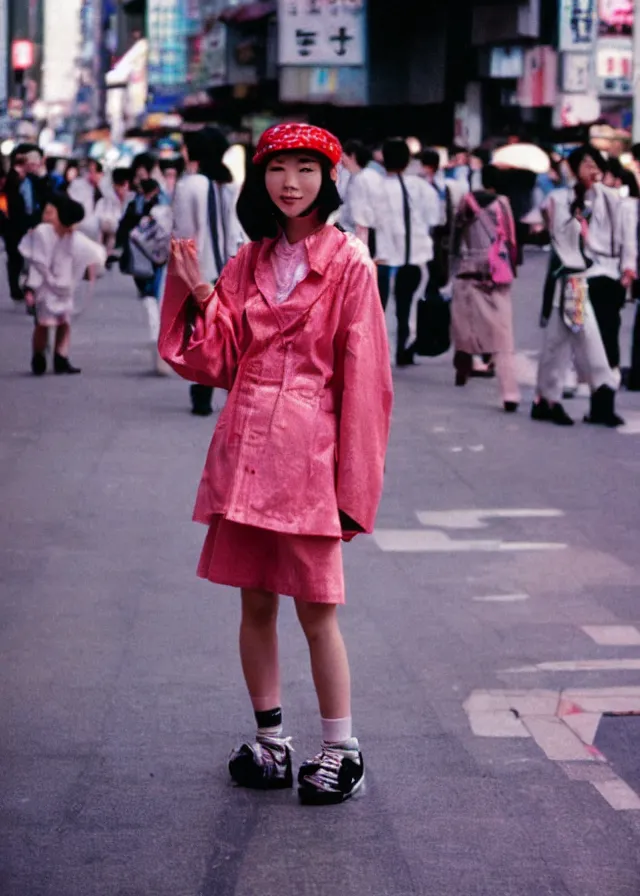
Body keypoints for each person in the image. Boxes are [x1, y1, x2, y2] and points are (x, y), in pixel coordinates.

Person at [158, 123, 393, 805]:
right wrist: (199, 290)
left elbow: (367, 380)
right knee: (254, 601)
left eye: (306, 170)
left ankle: (342, 750)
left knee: (318, 610)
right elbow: (219, 359)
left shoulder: (350, 263)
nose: (291, 183)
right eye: (279, 169)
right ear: (260, 178)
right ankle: (271, 741)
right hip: (246, 451)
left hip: (309, 457)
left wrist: (355, 486)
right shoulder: (249, 259)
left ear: (329, 179)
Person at [532, 144, 630, 427]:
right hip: (572, 279)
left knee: (559, 341)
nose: (593, 168)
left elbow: (622, 235)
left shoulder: (610, 198)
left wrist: (628, 266)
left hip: (592, 277)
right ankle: (600, 386)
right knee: (579, 338)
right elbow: (552, 231)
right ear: (574, 169)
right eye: (586, 163)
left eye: (595, 162)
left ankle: (547, 398)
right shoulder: (559, 198)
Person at [172, 127, 245, 415]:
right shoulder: (227, 184)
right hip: (229, 266)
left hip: (199, 268)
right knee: (227, 331)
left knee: (202, 333)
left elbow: (181, 232)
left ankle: (202, 393)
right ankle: (234, 389)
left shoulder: (188, 185)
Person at [450, 165, 521, 412]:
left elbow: (455, 236)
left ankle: (462, 367)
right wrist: (511, 267)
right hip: (496, 273)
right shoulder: (503, 204)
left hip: (468, 268)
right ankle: (509, 392)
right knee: (503, 334)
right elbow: (511, 241)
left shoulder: (466, 201)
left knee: (464, 324)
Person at [367, 137, 440, 366]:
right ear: (408, 160)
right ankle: (403, 347)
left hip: (383, 256)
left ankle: (380, 352)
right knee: (407, 305)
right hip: (416, 256)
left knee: (381, 307)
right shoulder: (421, 187)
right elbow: (435, 218)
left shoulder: (375, 187)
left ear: (382, 159)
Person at [19, 192, 106, 375]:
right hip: (44, 285)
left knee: (64, 322)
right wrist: (30, 288)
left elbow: (94, 252)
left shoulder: (73, 237)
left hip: (64, 286)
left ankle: (61, 356)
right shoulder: (42, 233)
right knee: (43, 322)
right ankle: (38, 355)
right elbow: (37, 262)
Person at [117, 178, 172, 375]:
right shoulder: (163, 205)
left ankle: (162, 355)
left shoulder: (158, 205)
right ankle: (162, 356)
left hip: (156, 256)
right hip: (160, 257)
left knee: (159, 303)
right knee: (160, 303)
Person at [5, 147, 44, 301]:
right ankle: (15, 288)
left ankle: (28, 286)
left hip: (30, 222)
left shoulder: (33, 179)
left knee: (31, 257)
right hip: (13, 224)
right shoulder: (12, 178)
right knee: (15, 256)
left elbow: (42, 196)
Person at [338, 139, 372, 234]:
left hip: (357, 231)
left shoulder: (365, 179)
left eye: (343, 155)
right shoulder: (345, 175)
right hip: (343, 228)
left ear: (352, 156)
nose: (341, 159)